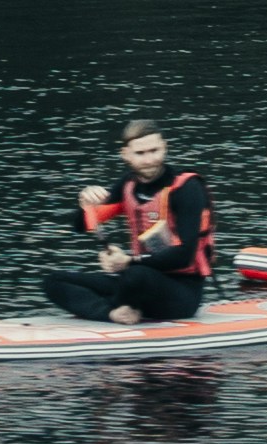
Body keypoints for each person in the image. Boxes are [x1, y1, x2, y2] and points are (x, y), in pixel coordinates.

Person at [51, 120, 218, 323]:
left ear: (164, 147)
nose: (149, 160)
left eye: (154, 150)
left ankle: (111, 304)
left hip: (181, 292)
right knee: (54, 280)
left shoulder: (187, 188)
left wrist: (128, 260)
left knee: (135, 275)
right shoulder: (127, 185)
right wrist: (85, 203)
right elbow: (80, 225)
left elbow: (184, 256)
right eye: (140, 154)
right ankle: (113, 313)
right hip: (136, 281)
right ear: (126, 155)